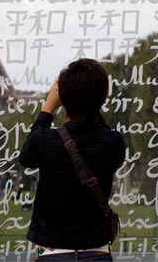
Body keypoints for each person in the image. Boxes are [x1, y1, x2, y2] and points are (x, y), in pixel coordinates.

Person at [19, 59, 125, 262]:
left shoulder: (44, 140)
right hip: (98, 253)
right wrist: (92, 100)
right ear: (102, 99)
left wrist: (48, 107)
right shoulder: (112, 142)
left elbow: (26, 158)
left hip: (53, 254)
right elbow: (101, 130)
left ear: (63, 99)